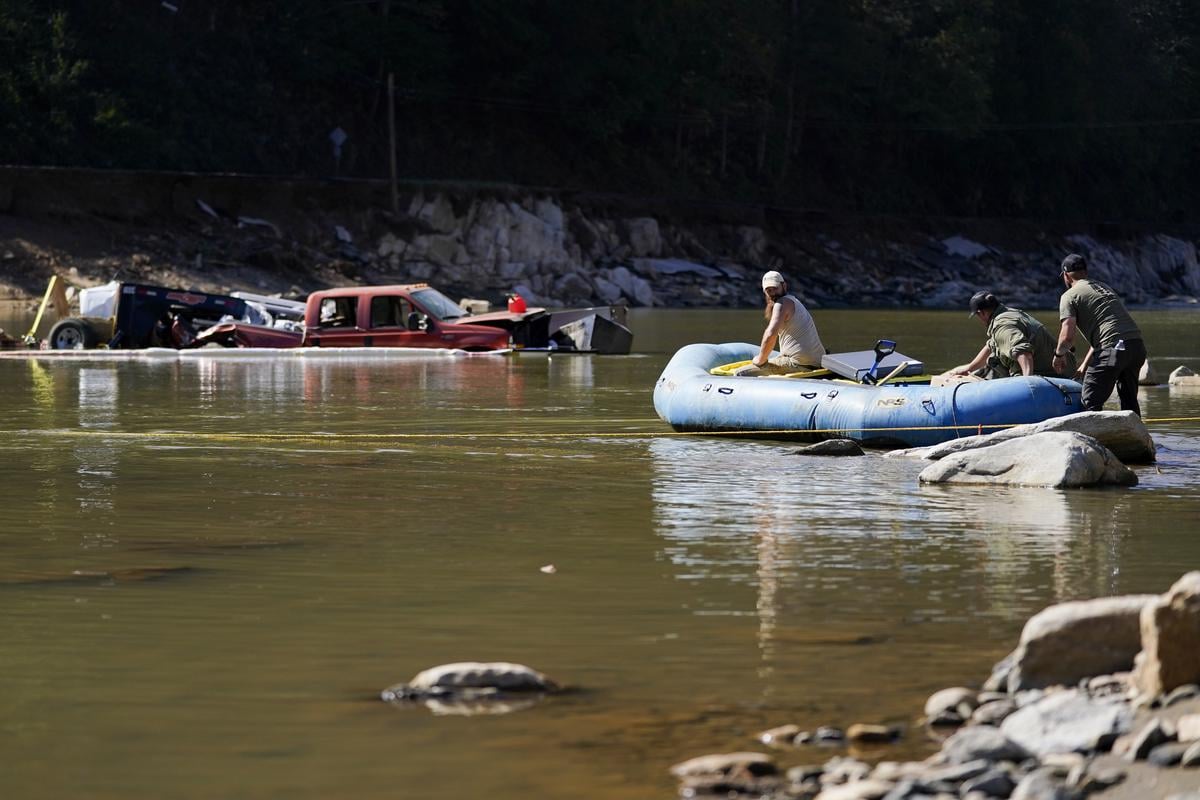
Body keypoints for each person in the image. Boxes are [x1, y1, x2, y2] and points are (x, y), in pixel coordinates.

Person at [1054, 253, 1146, 415]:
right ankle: (1136, 438)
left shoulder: (1069, 296)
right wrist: (1084, 365)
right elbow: (1109, 331)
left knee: (1090, 399)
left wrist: (1059, 355)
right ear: (1085, 272)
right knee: (1129, 400)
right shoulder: (1103, 287)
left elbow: (1067, 337)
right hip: (1136, 347)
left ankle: (1091, 439)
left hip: (1114, 350)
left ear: (1066, 275)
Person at [951, 291, 1068, 378]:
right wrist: (969, 368)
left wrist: (1028, 382)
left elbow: (1024, 352)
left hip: (1054, 374)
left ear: (981, 313)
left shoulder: (1002, 326)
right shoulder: (1007, 314)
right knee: (995, 355)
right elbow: (991, 345)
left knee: (995, 360)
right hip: (1063, 366)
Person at [743, 270, 826, 376]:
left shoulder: (782, 303)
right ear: (764, 292)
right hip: (817, 362)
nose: (772, 293)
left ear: (784, 286)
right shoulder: (794, 301)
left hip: (798, 364)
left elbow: (771, 333)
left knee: (741, 373)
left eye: (775, 288)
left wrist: (760, 360)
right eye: (769, 290)